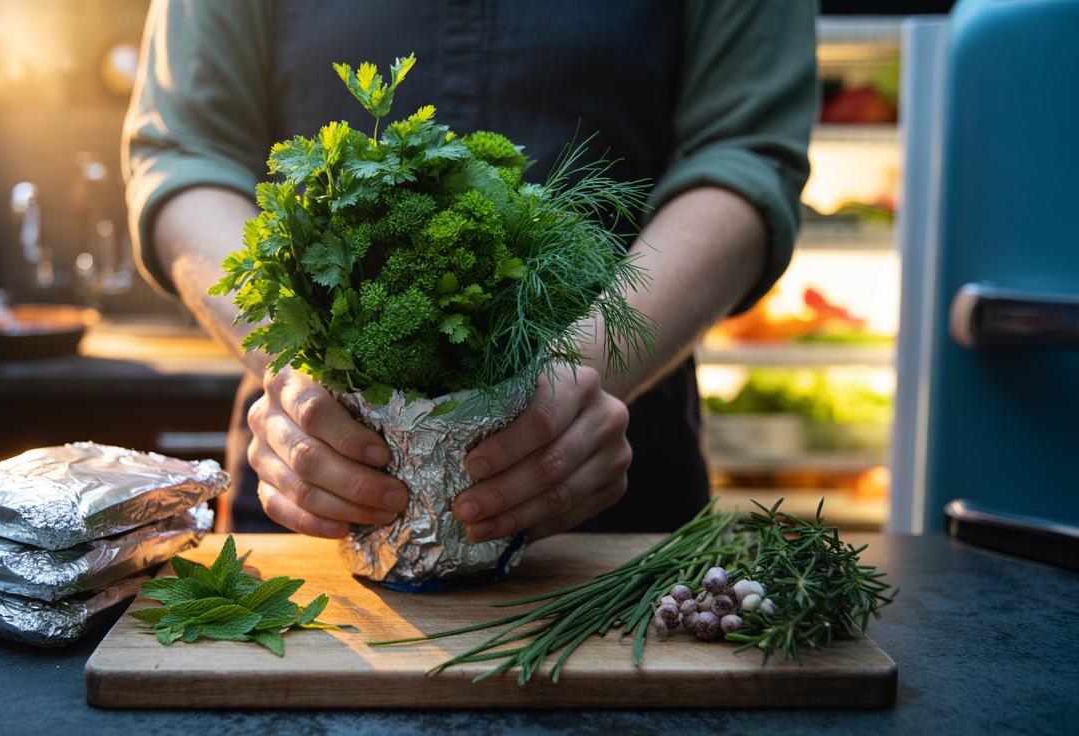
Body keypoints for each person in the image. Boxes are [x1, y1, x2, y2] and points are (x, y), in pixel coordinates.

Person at [123, 1, 816, 539]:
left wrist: (576, 378)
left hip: (611, 476)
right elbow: (184, 153)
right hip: (314, 472)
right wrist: (303, 355)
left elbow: (744, 154)